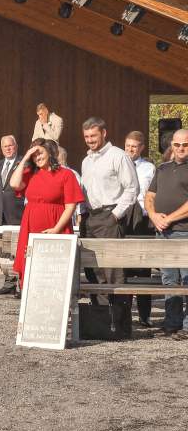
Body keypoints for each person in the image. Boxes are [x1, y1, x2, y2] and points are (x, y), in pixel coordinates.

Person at [79, 117, 138, 309]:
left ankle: (120, 319)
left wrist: (115, 215)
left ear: (104, 133)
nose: (90, 140)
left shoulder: (118, 156)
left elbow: (132, 188)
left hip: (110, 215)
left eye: (93, 135)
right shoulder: (86, 161)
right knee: (93, 270)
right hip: (90, 218)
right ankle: (102, 316)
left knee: (113, 270)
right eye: (86, 136)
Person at [10, 139, 84, 288]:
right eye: (34, 155)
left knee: (55, 273)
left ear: (50, 152)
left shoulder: (66, 174)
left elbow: (70, 207)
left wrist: (56, 229)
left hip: (56, 227)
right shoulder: (30, 174)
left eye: (40, 153)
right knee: (32, 270)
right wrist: (25, 158)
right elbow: (14, 184)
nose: (37, 157)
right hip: (31, 229)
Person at [145, 128, 188, 337]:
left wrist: (169, 219)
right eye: (177, 144)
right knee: (169, 280)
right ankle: (172, 323)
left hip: (184, 232)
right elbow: (150, 196)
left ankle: (187, 327)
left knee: (187, 280)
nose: (180, 148)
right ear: (171, 145)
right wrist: (153, 216)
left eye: (185, 144)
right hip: (163, 233)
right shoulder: (161, 168)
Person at [0, 135, 24, 296]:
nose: (8, 148)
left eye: (11, 145)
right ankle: (9, 283)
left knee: (20, 250)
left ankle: (21, 285)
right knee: (5, 251)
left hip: (18, 213)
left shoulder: (24, 163)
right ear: (2, 149)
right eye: (5, 146)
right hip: (2, 215)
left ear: (16, 146)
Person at [124, 131, 157, 327]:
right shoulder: (119, 164)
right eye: (127, 145)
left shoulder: (149, 168)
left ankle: (144, 316)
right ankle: (124, 315)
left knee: (144, 270)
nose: (130, 149)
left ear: (142, 148)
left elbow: (152, 195)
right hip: (125, 219)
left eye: (134, 146)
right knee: (124, 268)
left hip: (143, 221)